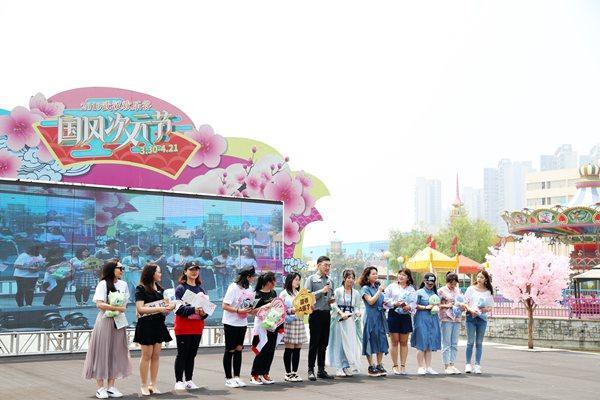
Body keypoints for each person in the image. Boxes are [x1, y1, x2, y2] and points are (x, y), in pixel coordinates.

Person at [83, 260, 132, 399]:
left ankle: (111, 386)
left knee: (116, 352)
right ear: (112, 269)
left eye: (122, 268)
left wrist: (119, 309)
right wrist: (115, 308)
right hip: (105, 320)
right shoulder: (103, 284)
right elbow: (99, 304)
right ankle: (100, 387)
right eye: (120, 268)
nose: (122, 270)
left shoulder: (123, 284)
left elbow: (125, 302)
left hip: (119, 320)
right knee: (102, 351)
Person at [134, 263, 175, 396]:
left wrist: (170, 307)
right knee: (146, 355)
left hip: (159, 324)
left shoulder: (161, 289)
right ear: (151, 273)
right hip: (146, 325)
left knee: (156, 355)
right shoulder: (141, 288)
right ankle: (143, 385)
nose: (160, 274)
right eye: (158, 272)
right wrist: (159, 308)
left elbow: (165, 306)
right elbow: (140, 309)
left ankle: (153, 384)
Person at [173, 261, 208, 391]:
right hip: (183, 326)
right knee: (182, 354)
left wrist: (203, 313)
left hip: (197, 327)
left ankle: (189, 380)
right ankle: (178, 381)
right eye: (191, 269)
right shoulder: (181, 289)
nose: (194, 272)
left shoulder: (201, 289)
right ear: (185, 272)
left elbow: (205, 311)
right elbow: (178, 309)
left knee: (192, 354)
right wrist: (194, 309)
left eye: (196, 270)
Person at [221, 265, 257, 388]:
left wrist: (251, 308)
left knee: (239, 349)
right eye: (252, 277)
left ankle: (237, 376)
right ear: (247, 277)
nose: (253, 279)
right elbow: (224, 305)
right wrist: (238, 310)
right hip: (231, 322)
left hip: (242, 322)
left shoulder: (249, 288)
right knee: (230, 349)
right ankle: (228, 378)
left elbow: (248, 304)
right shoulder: (233, 287)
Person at [327, 269, 363, 377]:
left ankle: (345, 365)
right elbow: (333, 304)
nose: (351, 280)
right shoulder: (338, 291)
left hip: (350, 321)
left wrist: (357, 312)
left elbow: (356, 306)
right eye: (349, 278)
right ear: (344, 278)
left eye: (352, 278)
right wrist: (341, 313)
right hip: (339, 320)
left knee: (348, 343)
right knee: (339, 343)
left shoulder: (356, 293)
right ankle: (338, 367)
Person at [305, 256, 335, 381]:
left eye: (329, 265)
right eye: (325, 265)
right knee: (314, 343)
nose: (327, 267)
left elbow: (331, 295)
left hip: (326, 313)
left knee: (324, 343)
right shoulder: (311, 279)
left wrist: (332, 299)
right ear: (318, 265)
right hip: (316, 314)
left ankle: (321, 370)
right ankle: (310, 370)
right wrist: (321, 291)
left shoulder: (330, 280)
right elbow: (306, 297)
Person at [250, 272, 281, 385]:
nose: (275, 283)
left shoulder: (273, 292)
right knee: (262, 348)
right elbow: (252, 311)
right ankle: (255, 374)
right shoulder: (257, 294)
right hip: (261, 325)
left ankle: (265, 373)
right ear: (268, 282)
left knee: (270, 349)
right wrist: (266, 307)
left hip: (272, 323)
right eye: (274, 281)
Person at [384, 267, 417, 375]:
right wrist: (394, 303)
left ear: (408, 278)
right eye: (400, 274)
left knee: (404, 342)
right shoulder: (391, 287)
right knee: (394, 341)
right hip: (393, 314)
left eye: (404, 275)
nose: (401, 277)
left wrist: (409, 307)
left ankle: (403, 366)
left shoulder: (411, 289)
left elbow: (414, 303)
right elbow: (385, 299)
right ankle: (395, 366)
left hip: (405, 315)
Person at [358, 266, 389, 377]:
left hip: (380, 316)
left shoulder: (377, 287)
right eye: (373, 274)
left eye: (376, 273)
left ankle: (379, 364)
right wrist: (380, 291)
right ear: (367, 276)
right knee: (370, 339)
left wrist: (386, 304)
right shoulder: (365, 288)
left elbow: (381, 300)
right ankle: (371, 366)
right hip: (370, 317)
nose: (376, 275)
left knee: (381, 339)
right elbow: (370, 301)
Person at [463, 270, 494, 374]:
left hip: (482, 319)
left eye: (481, 277)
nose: (479, 279)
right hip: (471, 317)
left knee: (479, 343)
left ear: (486, 280)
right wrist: (471, 310)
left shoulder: (488, 291)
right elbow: (465, 303)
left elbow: (490, 306)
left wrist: (485, 309)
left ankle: (477, 365)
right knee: (470, 342)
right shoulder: (470, 289)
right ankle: (468, 364)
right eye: (478, 277)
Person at [411, 272, 442, 375]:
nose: (430, 285)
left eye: (432, 283)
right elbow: (414, 305)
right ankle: (420, 366)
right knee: (421, 342)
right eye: (428, 283)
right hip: (421, 318)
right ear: (424, 281)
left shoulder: (434, 293)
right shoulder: (419, 292)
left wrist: (436, 307)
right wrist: (425, 307)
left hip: (432, 319)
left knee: (429, 343)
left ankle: (428, 367)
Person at [279, 272, 307, 382]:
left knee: (297, 349)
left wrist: (306, 309)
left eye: (299, 280)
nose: (298, 282)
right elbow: (280, 309)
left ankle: (295, 372)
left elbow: (304, 306)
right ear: (290, 280)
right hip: (289, 322)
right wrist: (292, 310)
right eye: (296, 279)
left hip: (299, 321)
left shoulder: (299, 293)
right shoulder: (284, 293)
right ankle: (288, 373)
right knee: (289, 348)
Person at [438, 272, 464, 375]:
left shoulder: (458, 291)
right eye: (451, 283)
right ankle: (446, 365)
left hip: (457, 318)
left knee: (454, 342)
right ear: (447, 282)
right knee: (446, 342)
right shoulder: (441, 291)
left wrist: (462, 306)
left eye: (455, 283)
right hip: (446, 318)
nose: (453, 286)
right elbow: (436, 304)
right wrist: (447, 305)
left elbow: (462, 301)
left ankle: (452, 364)